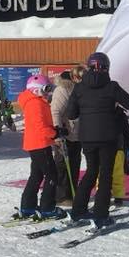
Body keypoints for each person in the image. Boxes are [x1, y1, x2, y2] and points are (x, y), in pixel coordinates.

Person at [64, 52, 129, 229]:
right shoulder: (111, 87)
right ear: (106, 67)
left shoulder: (79, 88)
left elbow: (71, 114)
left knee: (90, 172)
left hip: (87, 138)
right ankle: (101, 215)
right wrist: (114, 105)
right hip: (108, 137)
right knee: (105, 175)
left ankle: (78, 210)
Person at [16, 74, 65, 219]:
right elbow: (41, 127)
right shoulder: (35, 103)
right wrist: (55, 133)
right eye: (46, 89)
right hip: (40, 144)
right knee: (52, 175)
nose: (47, 92)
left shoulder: (35, 101)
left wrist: (55, 130)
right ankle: (47, 208)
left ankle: (27, 206)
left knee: (36, 175)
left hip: (36, 143)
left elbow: (42, 124)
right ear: (36, 90)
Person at [50, 68, 82, 201]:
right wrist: (58, 133)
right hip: (65, 133)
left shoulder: (75, 89)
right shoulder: (62, 90)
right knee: (62, 164)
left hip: (75, 134)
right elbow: (55, 112)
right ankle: (62, 196)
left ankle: (72, 192)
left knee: (75, 163)